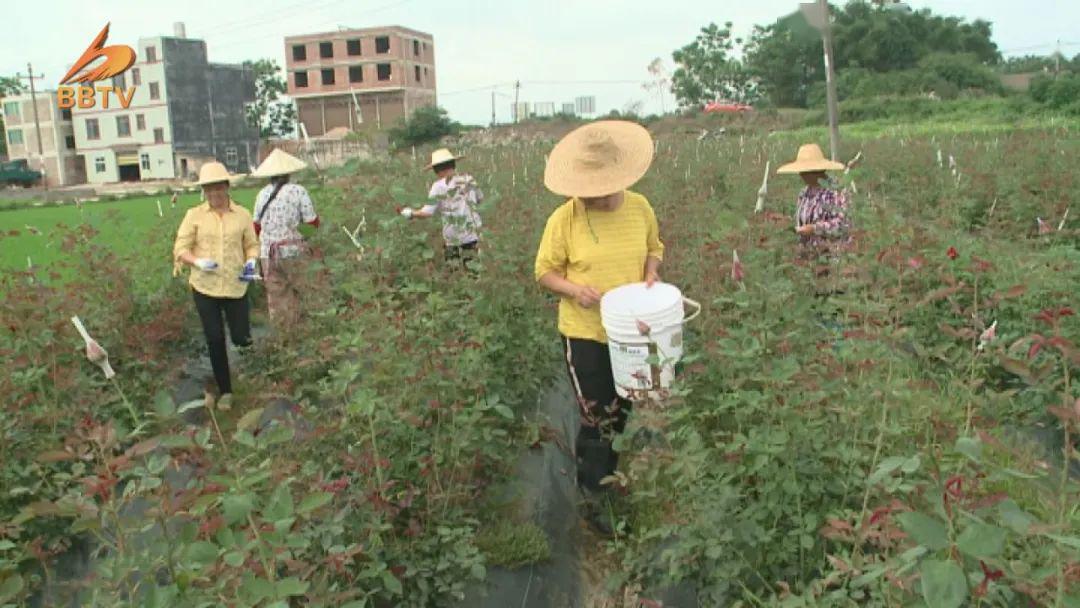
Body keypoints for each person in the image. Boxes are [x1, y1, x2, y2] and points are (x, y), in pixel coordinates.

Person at [534, 120, 664, 535]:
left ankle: (608, 477)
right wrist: (574, 290)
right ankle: (594, 498)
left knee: (623, 406)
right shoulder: (564, 219)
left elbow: (654, 249)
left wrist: (651, 274)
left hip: (629, 333)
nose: (589, 195)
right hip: (584, 333)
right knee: (595, 415)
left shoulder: (640, 208)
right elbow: (544, 272)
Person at [173, 162, 260, 412]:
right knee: (214, 338)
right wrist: (197, 261)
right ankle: (226, 390)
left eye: (218, 189)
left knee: (241, 337)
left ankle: (255, 371)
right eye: (209, 190)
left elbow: (252, 245)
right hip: (204, 287)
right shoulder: (194, 216)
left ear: (226, 187)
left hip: (235, 285)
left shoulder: (242, 215)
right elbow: (181, 249)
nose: (214, 195)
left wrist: (251, 263)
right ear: (204, 191)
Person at [251, 149, 320, 325]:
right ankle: (304, 334)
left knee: (277, 299)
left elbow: (256, 227)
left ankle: (283, 337)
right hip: (294, 252)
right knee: (304, 294)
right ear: (289, 172)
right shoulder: (298, 191)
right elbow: (312, 223)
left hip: (269, 255)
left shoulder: (261, 195)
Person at [399, 148, 483, 270]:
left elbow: (427, 213)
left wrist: (410, 213)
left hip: (453, 239)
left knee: (453, 273)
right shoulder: (469, 179)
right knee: (473, 273)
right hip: (473, 235)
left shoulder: (438, 186)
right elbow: (480, 199)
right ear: (453, 164)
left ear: (436, 170)